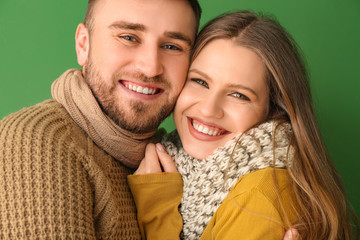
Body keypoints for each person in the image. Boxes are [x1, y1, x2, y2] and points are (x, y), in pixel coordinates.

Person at [128, 10, 360, 239]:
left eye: (239, 95)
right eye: (199, 81)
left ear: (274, 111)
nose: (209, 109)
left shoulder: (258, 195)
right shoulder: (176, 160)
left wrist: (157, 210)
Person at [0, 0, 201, 238]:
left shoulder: (180, 166)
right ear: (83, 44)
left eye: (172, 47)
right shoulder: (35, 142)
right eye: (128, 37)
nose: (151, 68)